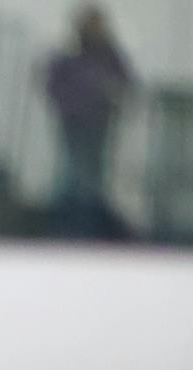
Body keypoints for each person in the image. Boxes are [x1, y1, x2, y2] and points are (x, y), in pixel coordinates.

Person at [44, 4, 136, 241]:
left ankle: (89, 225)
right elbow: (53, 85)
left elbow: (126, 84)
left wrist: (112, 97)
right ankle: (68, 224)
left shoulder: (109, 57)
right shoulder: (68, 56)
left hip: (99, 123)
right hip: (73, 123)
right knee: (73, 169)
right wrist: (69, 105)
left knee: (94, 172)